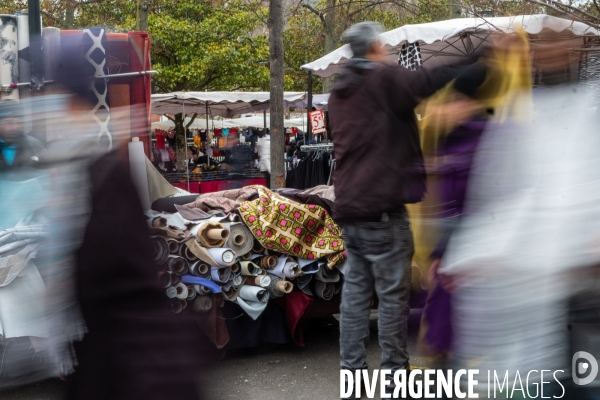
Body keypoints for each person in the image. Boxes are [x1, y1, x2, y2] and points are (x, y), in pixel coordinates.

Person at [327, 21, 477, 398]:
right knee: (393, 297)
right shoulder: (383, 78)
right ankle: (394, 376)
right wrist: (475, 61)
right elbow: (425, 82)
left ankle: (353, 378)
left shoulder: (339, 93)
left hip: (349, 208)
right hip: (383, 208)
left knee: (356, 298)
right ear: (375, 47)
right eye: (383, 46)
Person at [0, 103, 44, 170]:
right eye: (5, 122)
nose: (9, 127)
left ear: (20, 123)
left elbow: (49, 172)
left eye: (12, 122)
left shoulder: (34, 146)